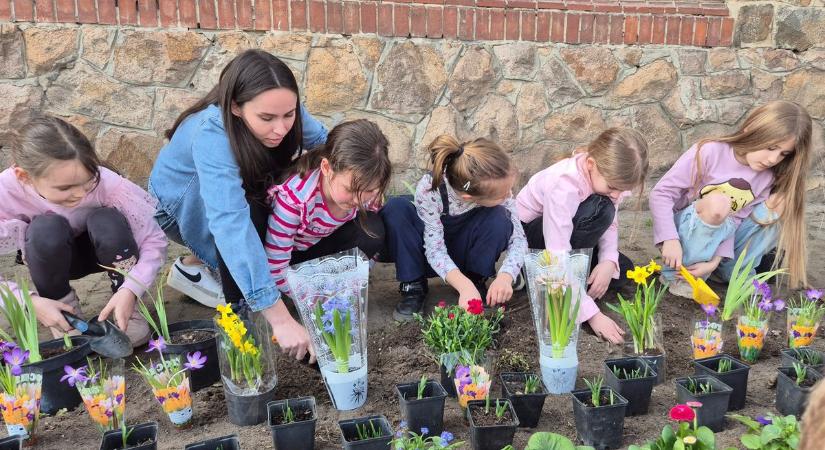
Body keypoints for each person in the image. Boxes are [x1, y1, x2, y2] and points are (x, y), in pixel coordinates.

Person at [149, 49, 328, 363]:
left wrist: (363, 179)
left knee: (266, 211)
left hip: (242, 191)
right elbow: (230, 224)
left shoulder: (281, 105)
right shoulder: (211, 134)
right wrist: (281, 318)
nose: (282, 128)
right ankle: (242, 328)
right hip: (178, 207)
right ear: (235, 106)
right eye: (267, 118)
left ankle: (205, 268)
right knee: (244, 225)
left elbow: (327, 144)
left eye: (290, 114)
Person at [0, 117, 167, 346]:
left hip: (110, 252)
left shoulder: (108, 183)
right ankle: (65, 315)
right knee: (45, 229)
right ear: (24, 176)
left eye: (87, 182)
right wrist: (30, 302)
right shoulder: (5, 191)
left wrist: (131, 289)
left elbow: (153, 239)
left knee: (106, 220)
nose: (80, 194)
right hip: (53, 260)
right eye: (65, 188)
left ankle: (127, 308)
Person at [650, 100, 812, 295]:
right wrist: (669, 239)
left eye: (783, 153)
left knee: (784, 201)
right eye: (771, 147)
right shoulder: (710, 151)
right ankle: (680, 278)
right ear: (750, 129)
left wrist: (715, 261)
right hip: (685, 236)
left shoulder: (766, 177)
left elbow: (733, 222)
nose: (773, 159)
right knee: (719, 203)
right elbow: (661, 194)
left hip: (723, 240)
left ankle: (735, 273)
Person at [516, 128, 649, 344]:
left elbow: (610, 224)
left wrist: (607, 261)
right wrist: (593, 315)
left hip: (569, 238)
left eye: (622, 190)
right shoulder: (564, 184)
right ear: (590, 165)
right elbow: (557, 254)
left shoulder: (606, 180)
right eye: (613, 187)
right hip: (533, 241)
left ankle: (564, 283)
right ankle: (535, 275)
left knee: (623, 269)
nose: (616, 195)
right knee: (599, 207)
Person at [382, 135, 527, 321]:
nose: (509, 195)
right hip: (428, 256)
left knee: (500, 216)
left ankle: (475, 279)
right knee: (396, 208)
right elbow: (434, 249)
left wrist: (506, 276)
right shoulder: (430, 189)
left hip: (464, 254)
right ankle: (414, 287)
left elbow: (519, 237)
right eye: (503, 193)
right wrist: (463, 286)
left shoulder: (499, 189)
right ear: (468, 197)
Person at [265, 119, 391, 298]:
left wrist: (360, 275)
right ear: (326, 168)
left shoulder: (369, 193)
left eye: (369, 190)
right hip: (294, 259)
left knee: (373, 230)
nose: (358, 200)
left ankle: (337, 282)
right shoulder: (296, 201)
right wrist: (313, 297)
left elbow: (374, 244)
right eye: (349, 190)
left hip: (325, 245)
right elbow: (276, 266)